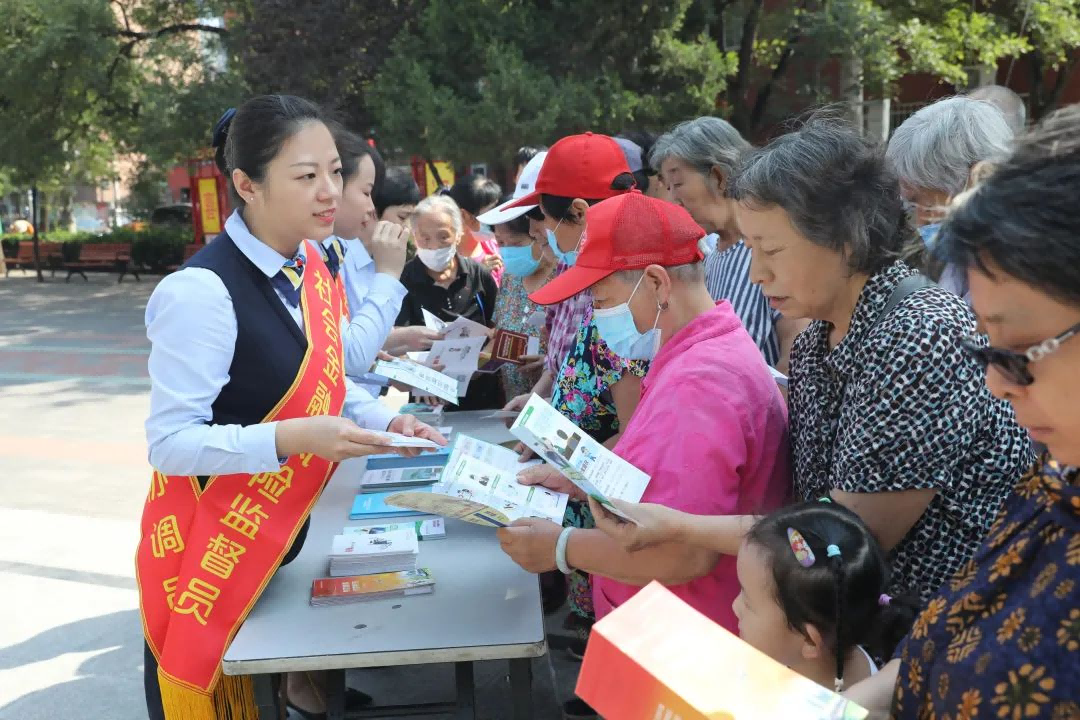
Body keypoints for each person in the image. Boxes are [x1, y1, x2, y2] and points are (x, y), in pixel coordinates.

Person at [590, 116, 1034, 607]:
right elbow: (812, 504)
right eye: (752, 249)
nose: (757, 274)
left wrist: (679, 527)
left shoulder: (920, 334)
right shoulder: (815, 341)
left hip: (939, 623)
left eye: (772, 250)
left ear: (844, 239)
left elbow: (843, 536)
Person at [139, 96, 445, 720]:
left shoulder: (309, 260)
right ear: (247, 185)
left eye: (335, 171)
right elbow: (169, 443)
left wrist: (384, 420)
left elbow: (325, 372)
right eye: (306, 176)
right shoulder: (200, 292)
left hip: (288, 533)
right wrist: (290, 438)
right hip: (217, 549)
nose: (329, 191)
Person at [846, 102, 1080, 720]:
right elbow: (941, 644)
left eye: (1020, 351)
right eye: (986, 347)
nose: (996, 385)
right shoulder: (1053, 478)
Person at [499, 189, 790, 636]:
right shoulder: (693, 354)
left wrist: (561, 547)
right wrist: (583, 479)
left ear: (656, 284)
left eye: (600, 300)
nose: (597, 318)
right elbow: (662, 482)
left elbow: (683, 552)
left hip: (685, 639)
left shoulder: (699, 384)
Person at [650, 117, 802, 372]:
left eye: (678, 184)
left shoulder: (774, 251)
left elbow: (795, 359)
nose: (673, 199)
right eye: (668, 187)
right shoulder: (708, 255)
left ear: (718, 176)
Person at [736, 501, 919, 693]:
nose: (735, 606)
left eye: (748, 603)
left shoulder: (802, 704)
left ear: (809, 641)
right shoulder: (831, 647)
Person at [886, 96, 1014, 298]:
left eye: (923, 204)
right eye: (911, 206)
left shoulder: (1027, 273)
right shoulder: (955, 265)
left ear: (976, 180)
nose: (920, 221)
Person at [395, 194, 500, 410]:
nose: (434, 246)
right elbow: (394, 345)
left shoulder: (478, 275)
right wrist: (418, 374)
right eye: (425, 238)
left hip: (483, 396)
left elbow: (498, 327)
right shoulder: (402, 281)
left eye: (443, 237)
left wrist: (483, 359)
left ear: (458, 235)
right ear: (414, 237)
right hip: (429, 400)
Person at [487, 191, 556, 400]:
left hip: (554, 400)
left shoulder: (562, 278)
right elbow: (497, 334)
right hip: (512, 401)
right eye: (500, 243)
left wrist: (548, 361)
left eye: (516, 244)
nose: (507, 251)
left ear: (538, 234)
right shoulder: (510, 278)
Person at [446, 173, 504, 283]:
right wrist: (477, 274)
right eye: (490, 213)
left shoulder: (496, 244)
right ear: (464, 215)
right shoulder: (443, 256)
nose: (496, 220)